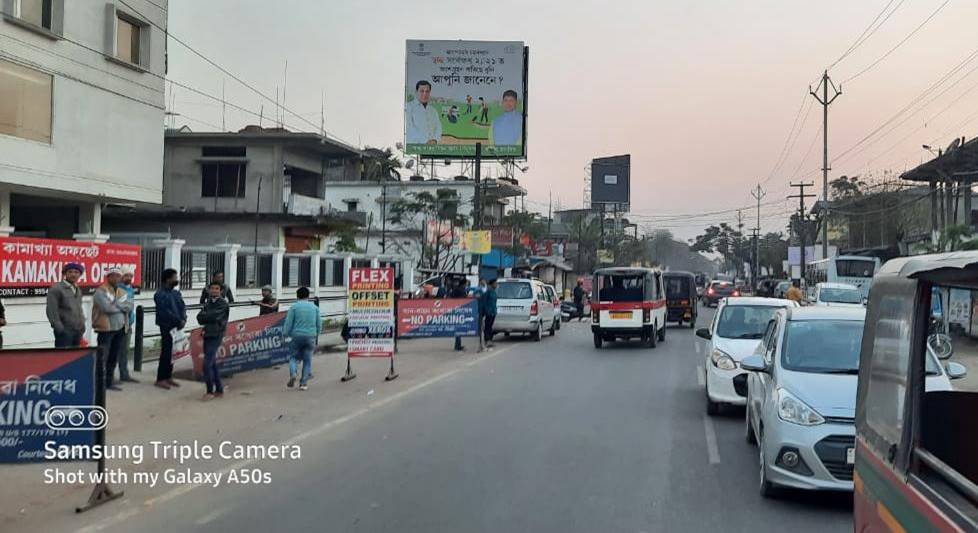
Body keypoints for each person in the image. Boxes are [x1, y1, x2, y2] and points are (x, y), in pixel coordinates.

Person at [92, 267, 131, 391]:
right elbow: (106, 308)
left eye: (118, 276)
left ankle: (109, 382)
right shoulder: (100, 291)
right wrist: (120, 306)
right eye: (113, 275)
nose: (116, 278)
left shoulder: (122, 292)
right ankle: (99, 383)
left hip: (120, 328)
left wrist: (115, 304)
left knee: (113, 357)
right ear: (108, 277)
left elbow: (129, 306)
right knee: (103, 357)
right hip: (105, 329)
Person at [283, 287, 321, 391]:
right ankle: (303, 384)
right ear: (308, 296)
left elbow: (288, 323)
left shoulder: (294, 307)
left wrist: (285, 334)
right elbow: (319, 323)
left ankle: (293, 373)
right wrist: (317, 334)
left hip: (296, 336)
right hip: (311, 336)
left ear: (297, 296)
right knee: (307, 360)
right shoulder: (314, 308)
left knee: (293, 357)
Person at [153, 268, 186, 390]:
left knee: (174, 352)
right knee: (166, 352)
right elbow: (165, 312)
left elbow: (182, 306)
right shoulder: (160, 294)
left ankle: (168, 376)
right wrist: (178, 321)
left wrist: (183, 319)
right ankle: (161, 378)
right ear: (168, 279)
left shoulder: (176, 293)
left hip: (177, 327)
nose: (177, 280)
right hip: (166, 326)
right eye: (174, 277)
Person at [197, 281, 229, 400]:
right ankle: (219, 389)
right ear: (209, 290)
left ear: (220, 291)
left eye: (217, 288)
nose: (214, 290)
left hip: (216, 334)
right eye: (212, 288)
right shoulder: (208, 303)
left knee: (207, 363)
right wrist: (207, 316)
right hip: (207, 334)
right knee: (212, 363)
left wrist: (207, 316)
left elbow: (215, 317)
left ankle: (209, 390)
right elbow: (199, 318)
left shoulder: (223, 304)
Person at [46, 263, 86, 348]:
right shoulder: (56, 288)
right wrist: (60, 329)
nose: (73, 274)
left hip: (78, 331)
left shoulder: (77, 289)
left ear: (80, 274)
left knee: (76, 358)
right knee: (63, 358)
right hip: (65, 331)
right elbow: (51, 310)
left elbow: (79, 309)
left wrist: (82, 325)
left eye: (76, 272)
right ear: (65, 274)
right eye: (70, 272)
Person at [117, 268, 138, 383]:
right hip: (118, 324)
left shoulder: (130, 290)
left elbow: (130, 307)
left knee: (125, 350)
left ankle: (124, 374)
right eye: (126, 276)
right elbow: (123, 307)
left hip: (127, 324)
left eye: (130, 276)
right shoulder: (118, 289)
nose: (129, 278)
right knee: (115, 351)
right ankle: (109, 376)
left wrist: (131, 320)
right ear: (121, 276)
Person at [405, 80, 441, 144]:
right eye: (422, 91)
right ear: (416, 92)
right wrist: (425, 141)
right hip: (414, 148)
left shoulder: (433, 110)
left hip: (432, 148)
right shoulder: (409, 107)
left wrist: (435, 140)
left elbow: (438, 128)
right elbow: (409, 128)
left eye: (427, 91)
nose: (425, 94)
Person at [450, 279, 468, 351]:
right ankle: (457, 346)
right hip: (460, 311)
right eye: (466, 284)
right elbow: (464, 300)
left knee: (458, 328)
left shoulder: (455, 289)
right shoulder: (461, 290)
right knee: (458, 328)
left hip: (455, 310)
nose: (467, 285)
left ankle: (458, 345)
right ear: (463, 284)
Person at [483, 279, 498, 348]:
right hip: (489, 311)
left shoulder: (494, 292)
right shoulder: (488, 291)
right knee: (487, 326)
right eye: (495, 283)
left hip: (493, 311)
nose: (496, 285)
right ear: (492, 284)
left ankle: (490, 340)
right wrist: (486, 311)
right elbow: (484, 302)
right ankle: (487, 340)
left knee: (490, 326)